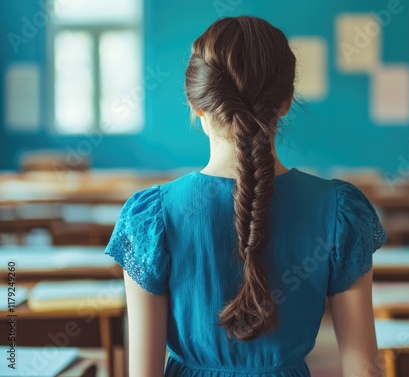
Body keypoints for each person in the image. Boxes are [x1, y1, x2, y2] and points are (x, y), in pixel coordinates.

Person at [105, 15, 387, 377]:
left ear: (196, 105)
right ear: (285, 102)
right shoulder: (339, 211)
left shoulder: (150, 219)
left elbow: (144, 373)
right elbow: (363, 368)